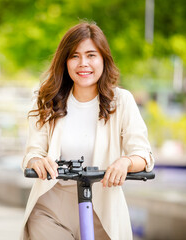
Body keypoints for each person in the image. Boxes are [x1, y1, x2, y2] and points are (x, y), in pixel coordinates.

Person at [21, 21, 155, 240]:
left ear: (103, 59)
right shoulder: (48, 101)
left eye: (91, 55)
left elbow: (144, 155)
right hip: (52, 206)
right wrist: (37, 161)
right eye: (74, 56)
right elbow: (33, 152)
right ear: (65, 61)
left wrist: (126, 162)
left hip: (103, 207)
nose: (83, 63)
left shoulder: (121, 102)